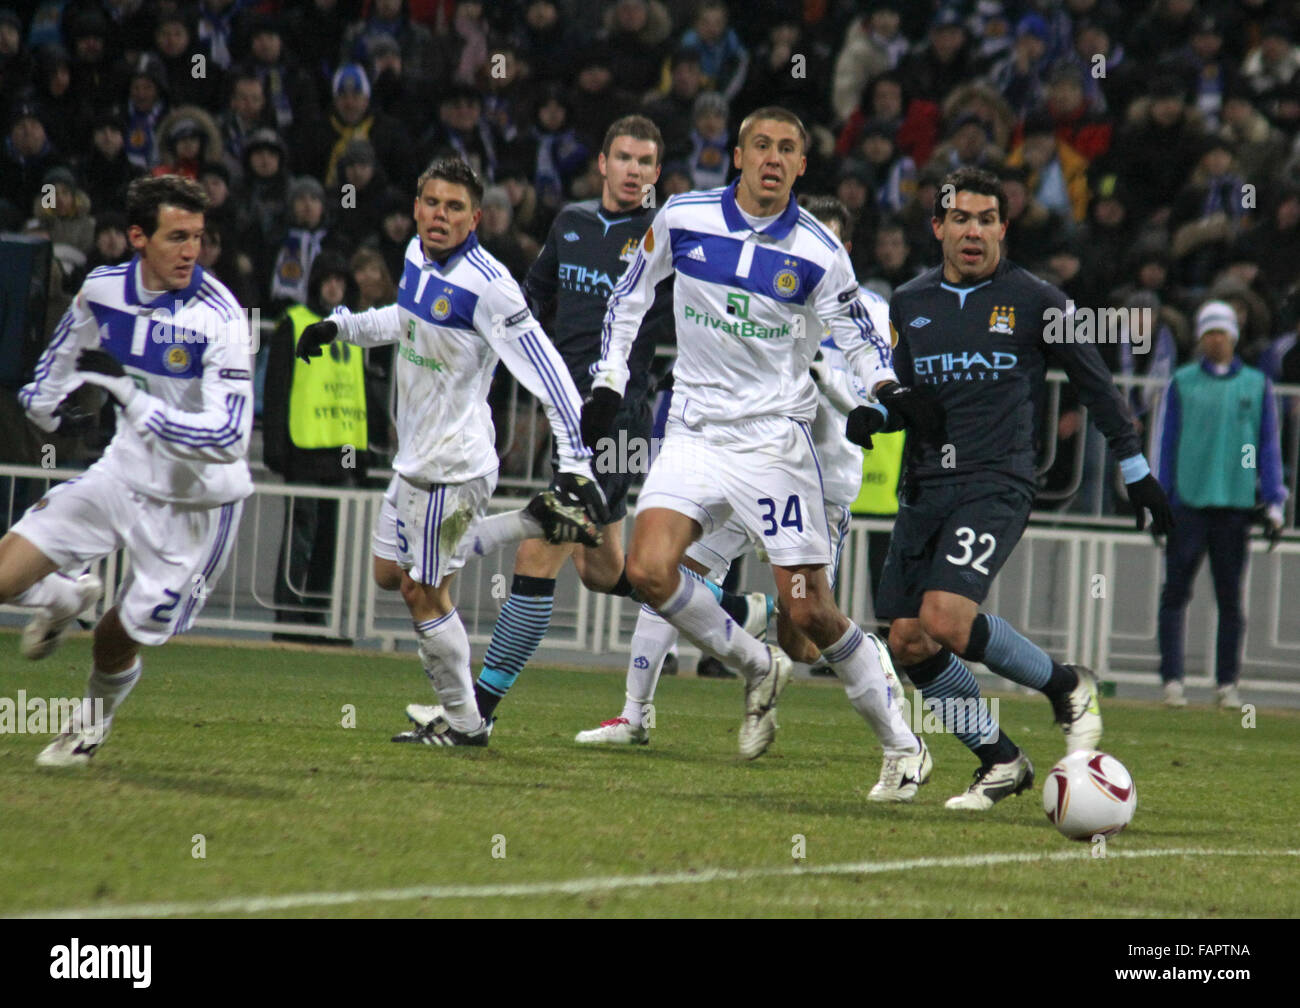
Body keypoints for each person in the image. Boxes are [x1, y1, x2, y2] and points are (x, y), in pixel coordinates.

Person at [582, 106, 941, 787]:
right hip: (693, 430)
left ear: (802, 166)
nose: (772, 158)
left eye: (787, 149)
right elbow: (628, 299)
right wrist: (607, 381)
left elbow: (858, 334)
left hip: (775, 444)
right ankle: (754, 665)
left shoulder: (818, 251)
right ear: (737, 156)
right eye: (760, 146)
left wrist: (888, 391)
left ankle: (903, 745)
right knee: (649, 571)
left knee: (807, 612)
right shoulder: (683, 218)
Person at [403, 117, 769, 737]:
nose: (633, 169)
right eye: (623, 157)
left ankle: (474, 716)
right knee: (605, 572)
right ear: (602, 163)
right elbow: (532, 300)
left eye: (645, 161)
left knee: (538, 548)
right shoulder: (570, 224)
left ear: (657, 174)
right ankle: (738, 610)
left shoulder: (668, 236)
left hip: (620, 417)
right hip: (568, 413)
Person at [880, 166, 1174, 810]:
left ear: (1004, 229)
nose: (974, 231)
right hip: (925, 485)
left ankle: (1067, 684)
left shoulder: (1040, 300)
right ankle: (1000, 760)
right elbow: (897, 389)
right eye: (962, 219)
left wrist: (1135, 468)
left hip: (997, 480)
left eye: (988, 220)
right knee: (907, 638)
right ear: (938, 228)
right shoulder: (910, 303)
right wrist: (876, 413)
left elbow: (1095, 384)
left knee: (944, 618)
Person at [293, 157, 608, 747]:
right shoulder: (414, 255)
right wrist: (342, 329)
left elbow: (547, 371)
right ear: (416, 208)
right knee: (390, 574)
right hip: (414, 460)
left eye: (454, 207)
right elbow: (404, 320)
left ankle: (466, 724)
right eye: (432, 203)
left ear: (476, 218)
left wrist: (575, 461)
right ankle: (529, 521)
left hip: (452, 468)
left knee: (423, 592)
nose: (440, 216)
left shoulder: (490, 287)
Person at [0, 174, 253, 767]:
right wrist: (49, 410)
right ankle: (62, 596)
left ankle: (89, 726)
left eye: (198, 236)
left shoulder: (220, 318)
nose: (192, 251)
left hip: (196, 503)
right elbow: (61, 356)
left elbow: (230, 436)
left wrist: (139, 406)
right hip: (122, 473)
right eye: (177, 237)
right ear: (138, 237)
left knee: (116, 637)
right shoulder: (103, 290)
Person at [1153, 300, 1287, 710]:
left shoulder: (1255, 384)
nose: (1216, 339)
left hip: (1234, 502)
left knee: (1230, 598)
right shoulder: (1183, 382)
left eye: (1222, 332)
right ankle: (1173, 679)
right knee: (1176, 593)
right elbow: (1166, 441)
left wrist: (1274, 499)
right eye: (1209, 332)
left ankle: (1226, 682)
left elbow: (1267, 444)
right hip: (1189, 502)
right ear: (1201, 337)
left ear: (1232, 335)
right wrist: (1160, 499)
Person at [263, 252, 365, 642]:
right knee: (301, 540)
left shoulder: (351, 329)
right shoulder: (295, 323)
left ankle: (315, 620)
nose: (334, 287)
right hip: (303, 452)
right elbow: (277, 388)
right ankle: (289, 620)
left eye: (340, 280)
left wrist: (361, 452)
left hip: (338, 454)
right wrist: (276, 448)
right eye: (328, 280)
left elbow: (355, 394)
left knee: (327, 545)